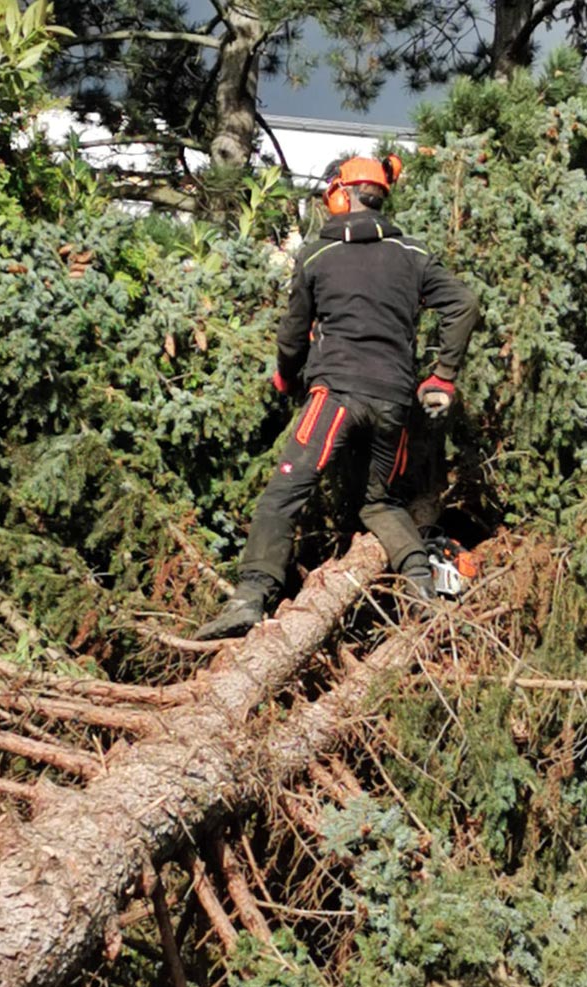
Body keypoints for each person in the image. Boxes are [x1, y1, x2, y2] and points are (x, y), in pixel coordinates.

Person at [193, 155, 480, 641]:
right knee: (380, 502)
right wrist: (443, 377)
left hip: (335, 397)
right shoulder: (413, 253)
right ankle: (422, 593)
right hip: (393, 401)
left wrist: (286, 376)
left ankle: (249, 598)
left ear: (341, 196)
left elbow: (292, 332)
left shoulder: (317, 254)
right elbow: (464, 304)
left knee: (285, 492)